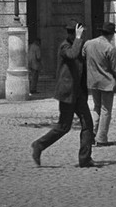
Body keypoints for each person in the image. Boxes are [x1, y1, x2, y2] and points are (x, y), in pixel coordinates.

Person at [31, 23, 95, 168]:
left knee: (88, 125)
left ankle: (85, 159)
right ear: (72, 34)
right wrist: (79, 39)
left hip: (78, 94)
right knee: (63, 127)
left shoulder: (77, 46)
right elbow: (72, 55)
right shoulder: (64, 46)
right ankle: (39, 145)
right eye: (78, 34)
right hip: (67, 94)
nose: (81, 36)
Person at [84, 21, 116, 146]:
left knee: (96, 108)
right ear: (111, 34)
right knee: (106, 110)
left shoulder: (88, 44)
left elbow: (83, 57)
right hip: (107, 83)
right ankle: (101, 138)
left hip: (93, 82)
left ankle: (90, 135)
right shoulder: (110, 48)